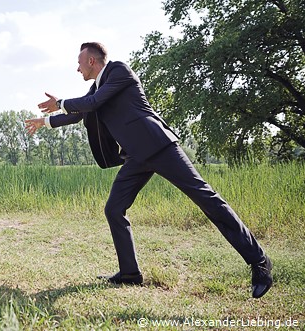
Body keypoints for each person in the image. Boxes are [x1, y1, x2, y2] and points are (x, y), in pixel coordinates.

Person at [25, 42, 272, 298]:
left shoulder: (119, 71)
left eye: (79, 63)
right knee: (114, 209)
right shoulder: (97, 88)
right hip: (136, 156)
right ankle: (130, 273)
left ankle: (260, 262)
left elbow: (92, 102)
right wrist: (45, 121)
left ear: (91, 61)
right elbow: (82, 111)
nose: (77, 68)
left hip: (159, 146)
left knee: (206, 199)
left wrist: (62, 102)